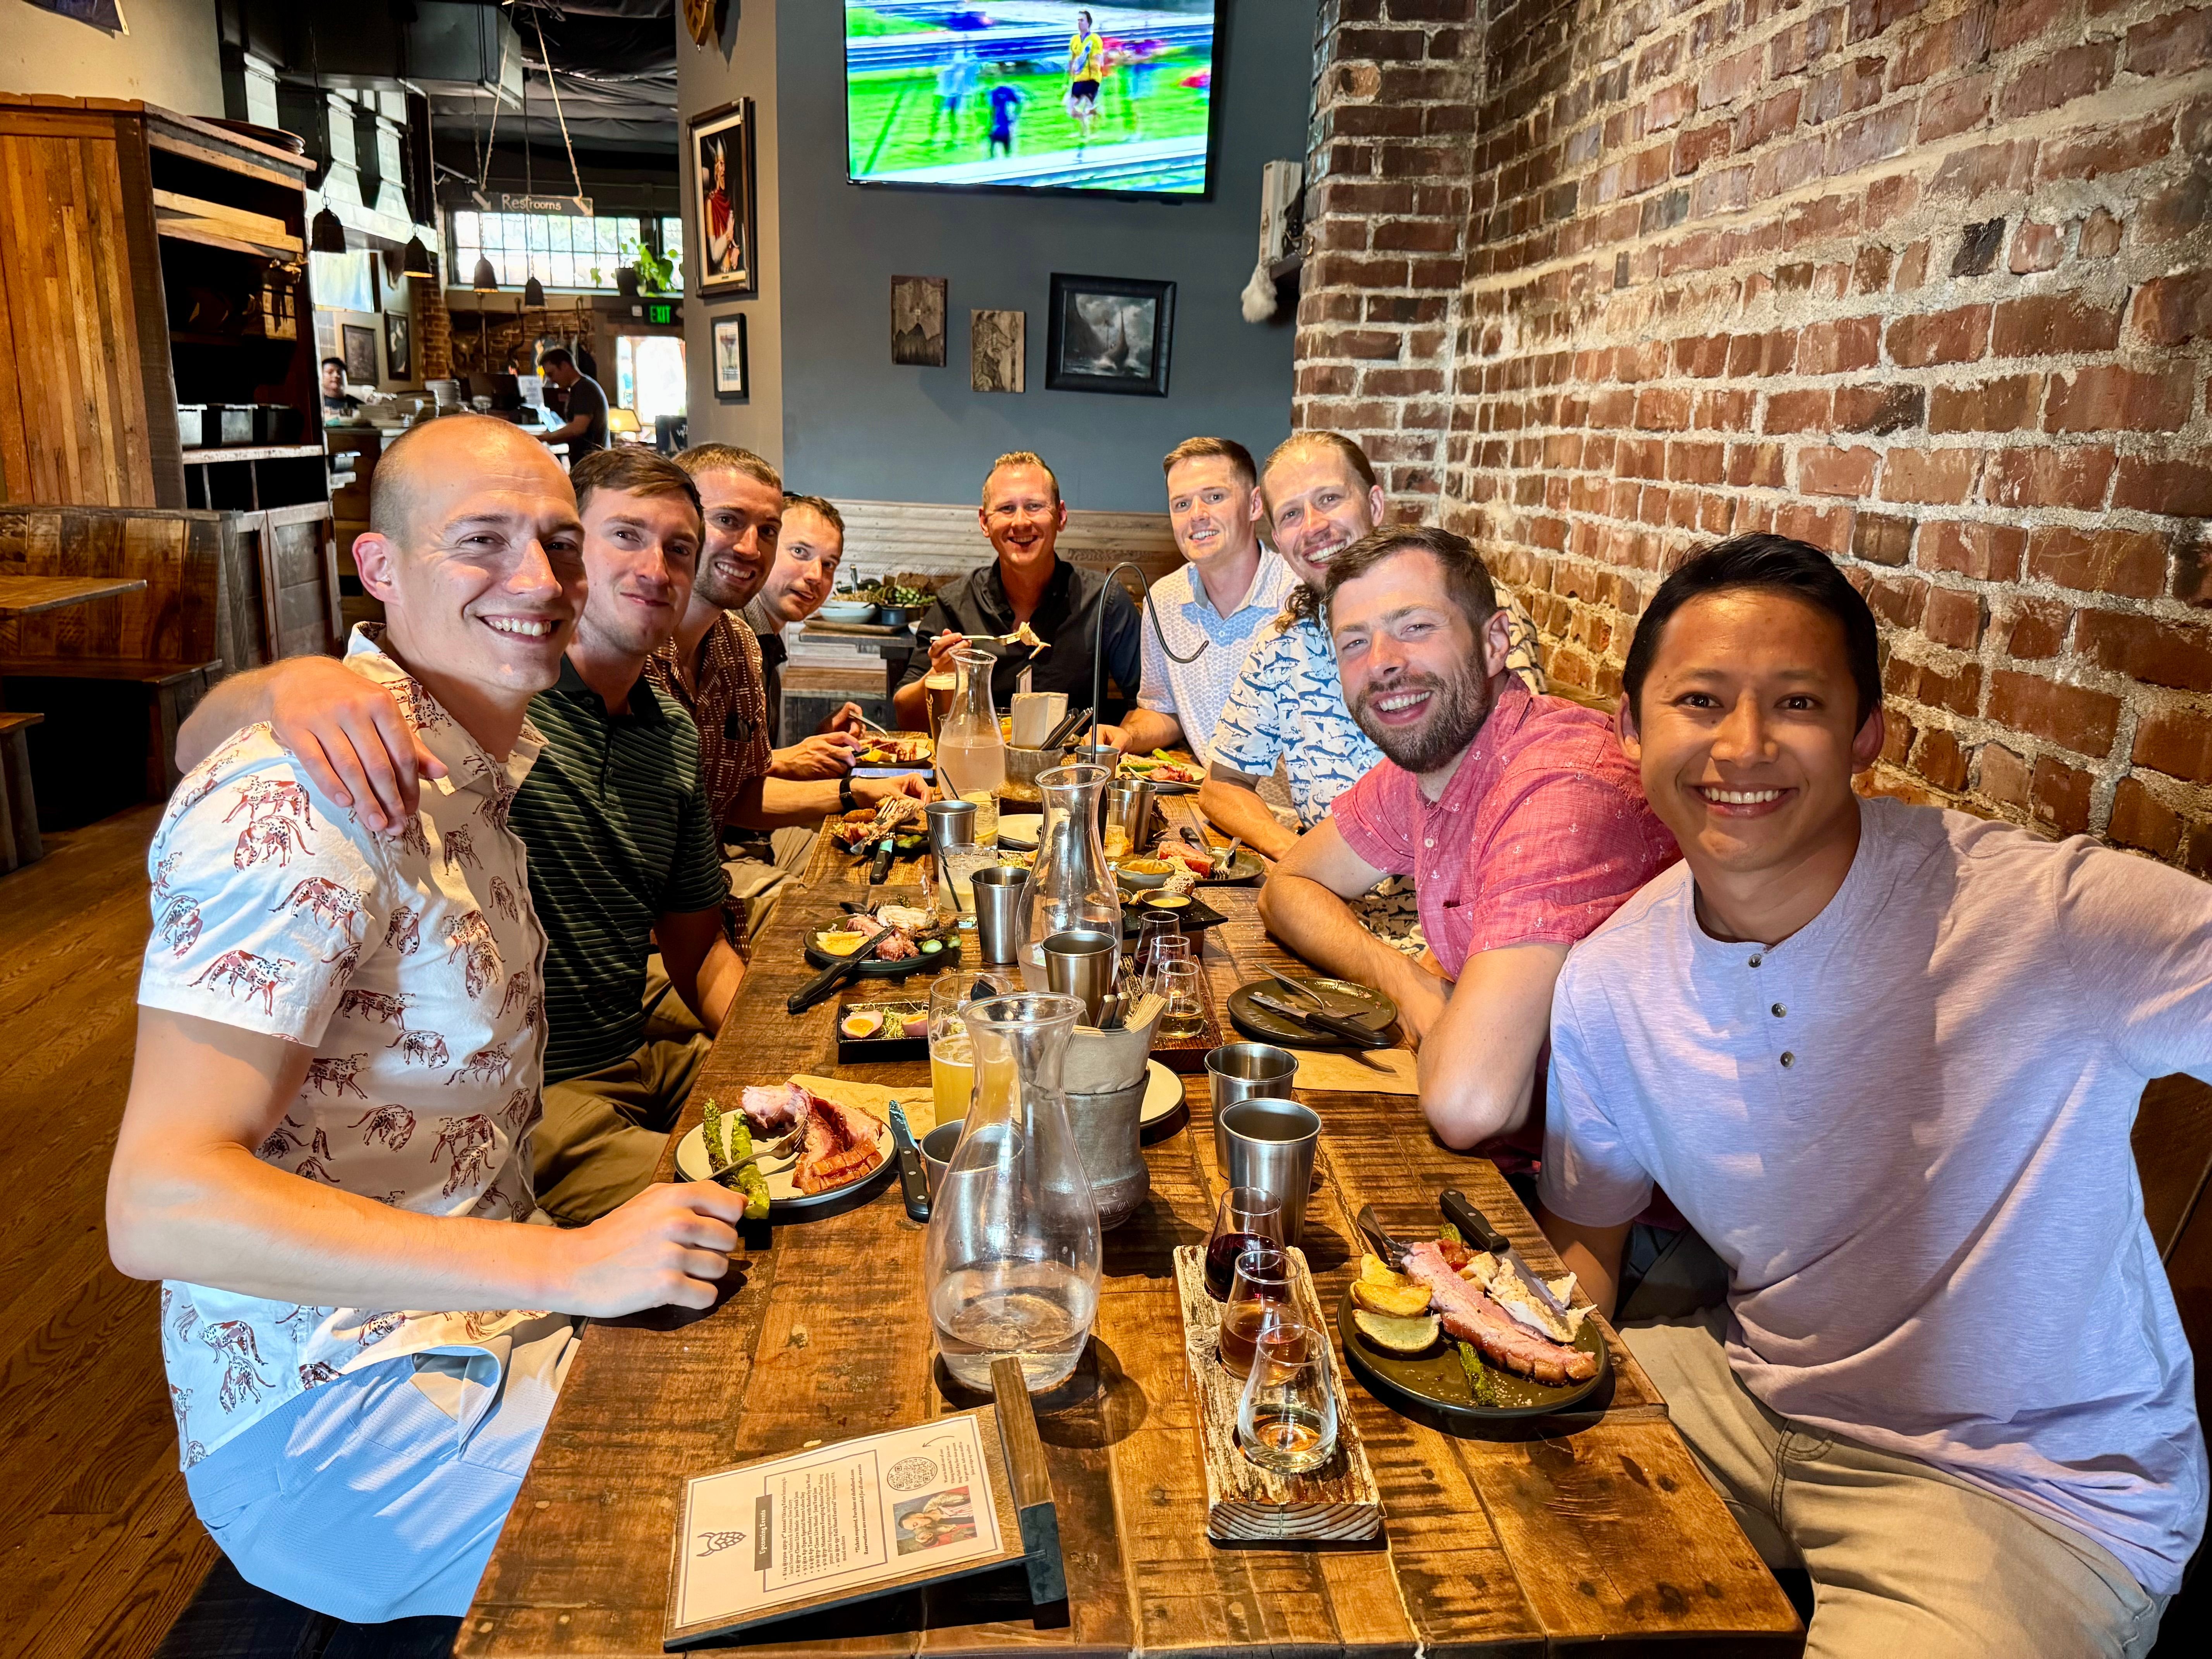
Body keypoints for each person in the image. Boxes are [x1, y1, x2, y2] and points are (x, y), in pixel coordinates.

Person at [108, 416, 748, 1623]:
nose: (540, 581)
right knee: (784, 1543)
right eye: (481, 542)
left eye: (556, 544)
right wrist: (565, 1261)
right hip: (335, 1418)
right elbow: (158, 1203)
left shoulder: (467, 769)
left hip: (480, 1331)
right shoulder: (309, 795)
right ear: (378, 570)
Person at [1538, 535, 2207, 1657]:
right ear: (1632, 725)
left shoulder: (2046, 917)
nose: (1742, 746)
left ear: (1865, 736)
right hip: (1751, 1391)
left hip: (2024, 1487)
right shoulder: (1609, 979)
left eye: (1796, 702)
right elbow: (1585, 1244)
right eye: (1700, 699)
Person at [175, 447, 749, 1227]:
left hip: (636, 1054)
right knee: (754, 1222)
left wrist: (775, 1058)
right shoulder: (489, 700)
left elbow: (698, 949)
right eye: (622, 537)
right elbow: (203, 752)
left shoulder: (611, 732)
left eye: (679, 549)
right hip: (540, 1104)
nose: (541, 578)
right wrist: (285, 684)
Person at [1256, 524, 1676, 1155]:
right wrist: (1412, 987)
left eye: (1415, 627)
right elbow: (1288, 884)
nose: (1382, 664)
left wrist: (1439, 1013)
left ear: (1494, 643)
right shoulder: (1433, 752)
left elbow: (1466, 1102)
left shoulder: (1557, 784)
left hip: (1637, 1214)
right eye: (1353, 643)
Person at [892, 450, 1141, 732]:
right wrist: (939, 674)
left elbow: (1150, 705)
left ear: (1060, 516)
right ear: (985, 522)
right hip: (981, 764)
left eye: (1034, 506)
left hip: (1073, 770)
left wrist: (1124, 738)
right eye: (1006, 509)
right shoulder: (956, 605)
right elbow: (906, 717)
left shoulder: (1104, 601)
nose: (1021, 522)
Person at [1107, 437, 1295, 770]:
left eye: (1215, 497)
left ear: (1255, 505)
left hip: (1301, 816)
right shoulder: (1163, 601)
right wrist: (1129, 737)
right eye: (1181, 504)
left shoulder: (1299, 596)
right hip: (1210, 805)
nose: (1197, 516)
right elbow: (1162, 709)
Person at [743, 491, 860, 751]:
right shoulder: (731, 637)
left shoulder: (766, 641)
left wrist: (815, 742)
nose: (816, 576)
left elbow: (750, 767)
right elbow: (720, 784)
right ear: (764, 548)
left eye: (829, 564)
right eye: (800, 552)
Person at [535, 347, 607, 460]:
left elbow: (578, 428)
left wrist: (547, 437)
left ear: (564, 366)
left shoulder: (584, 389)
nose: (551, 380)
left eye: (551, 374)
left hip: (593, 464)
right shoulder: (579, 388)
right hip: (589, 463)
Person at [1065, 10, 1105, 149]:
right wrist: (1070, 73)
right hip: (1078, 79)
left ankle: (1087, 133)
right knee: (1072, 108)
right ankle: (1090, 122)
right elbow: (1073, 58)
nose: (1079, 23)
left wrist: (1098, 66)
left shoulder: (1095, 39)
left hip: (1091, 79)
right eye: (1078, 20)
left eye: (1082, 20)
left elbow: (1099, 57)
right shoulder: (1074, 40)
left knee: (1085, 106)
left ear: (1088, 23)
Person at [930, 46, 980, 147]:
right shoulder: (953, 69)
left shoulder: (953, 69)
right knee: (944, 116)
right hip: (947, 94)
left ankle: (944, 137)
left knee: (947, 116)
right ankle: (939, 137)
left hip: (949, 95)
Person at [987, 79, 1026, 159]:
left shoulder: (997, 93)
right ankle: (1005, 156)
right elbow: (1019, 103)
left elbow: (993, 109)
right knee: (1005, 138)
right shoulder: (1006, 92)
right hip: (1003, 122)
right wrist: (1015, 115)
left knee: (1000, 138)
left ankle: (995, 156)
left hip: (1002, 122)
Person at [319, 356, 361, 422]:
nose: (336, 376)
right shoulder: (316, 404)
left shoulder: (359, 405)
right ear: (321, 376)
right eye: (330, 372)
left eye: (340, 373)